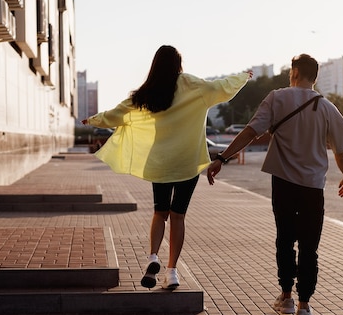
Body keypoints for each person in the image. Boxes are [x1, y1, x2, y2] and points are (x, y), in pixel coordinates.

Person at [206, 54, 343, 315]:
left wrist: (222, 158)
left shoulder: (277, 97)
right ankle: (304, 308)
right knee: (310, 248)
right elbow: (340, 151)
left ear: (295, 73)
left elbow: (251, 132)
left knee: (285, 240)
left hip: (283, 184)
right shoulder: (326, 107)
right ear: (315, 77)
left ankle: (286, 297)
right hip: (313, 188)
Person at [83, 45, 250, 290]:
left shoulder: (147, 92)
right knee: (178, 216)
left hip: (160, 161)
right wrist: (243, 77)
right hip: (187, 161)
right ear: (178, 64)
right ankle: (171, 272)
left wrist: (94, 120)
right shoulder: (191, 85)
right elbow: (220, 87)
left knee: (160, 212)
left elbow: (118, 113)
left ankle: (153, 257)